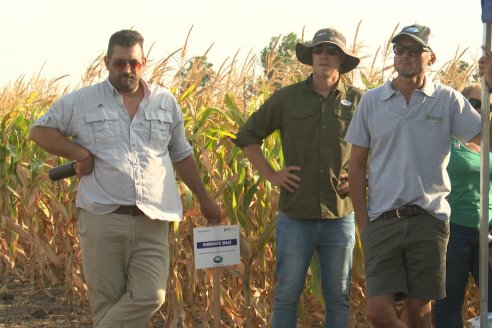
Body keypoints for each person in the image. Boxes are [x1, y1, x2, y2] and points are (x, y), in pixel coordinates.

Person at [29, 29, 221, 328]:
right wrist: (77, 152)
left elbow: (181, 154)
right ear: (107, 62)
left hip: (153, 218)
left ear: (143, 62)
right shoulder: (82, 101)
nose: (127, 70)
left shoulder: (165, 102)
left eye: (133, 63)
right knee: (107, 303)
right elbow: (39, 130)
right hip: (102, 217)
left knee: (151, 296)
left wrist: (205, 199)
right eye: (119, 63)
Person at [345, 24, 485, 328]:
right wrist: (363, 223)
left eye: (414, 50)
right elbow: (355, 166)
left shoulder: (447, 100)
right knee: (378, 313)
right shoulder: (371, 102)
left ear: (430, 57)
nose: (405, 56)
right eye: (399, 49)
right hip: (382, 220)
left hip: (429, 220)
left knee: (419, 314)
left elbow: (486, 138)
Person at [234, 27, 364, 328]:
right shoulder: (287, 99)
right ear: (311, 57)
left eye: (332, 51)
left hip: (339, 214)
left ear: (342, 60)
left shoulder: (360, 101)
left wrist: (364, 176)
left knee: (339, 297)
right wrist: (271, 173)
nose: (324, 56)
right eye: (319, 50)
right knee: (286, 295)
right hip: (295, 215)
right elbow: (248, 136)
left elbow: (384, 146)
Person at [433, 83, 492, 327]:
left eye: (485, 105)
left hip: (487, 231)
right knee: (449, 301)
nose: (479, 110)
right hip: (454, 229)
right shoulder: (447, 137)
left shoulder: (489, 142)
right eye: (474, 104)